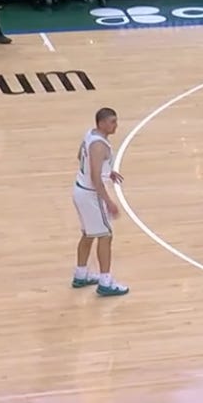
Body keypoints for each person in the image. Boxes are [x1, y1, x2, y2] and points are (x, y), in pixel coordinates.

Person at [72, 107, 129, 296]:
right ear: (102, 123)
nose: (116, 125)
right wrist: (109, 202)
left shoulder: (90, 134)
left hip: (80, 189)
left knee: (88, 234)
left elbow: (80, 157)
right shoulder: (99, 146)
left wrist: (107, 171)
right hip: (91, 195)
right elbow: (96, 178)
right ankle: (105, 282)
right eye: (112, 122)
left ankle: (81, 274)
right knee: (105, 235)